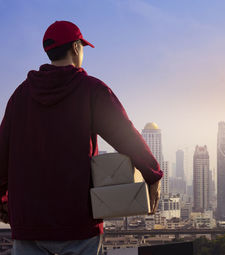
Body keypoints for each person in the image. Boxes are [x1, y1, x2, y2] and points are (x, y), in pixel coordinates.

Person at [0, 20, 163, 254]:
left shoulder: (20, 96)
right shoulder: (91, 91)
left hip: (28, 224)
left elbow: (2, 155)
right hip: (78, 220)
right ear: (76, 47)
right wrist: (153, 174)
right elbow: (125, 134)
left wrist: (3, 202)